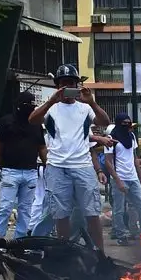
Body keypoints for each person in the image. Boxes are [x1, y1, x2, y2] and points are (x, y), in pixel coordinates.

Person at [27, 64, 110, 250]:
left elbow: (105, 122)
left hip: (83, 166)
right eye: (63, 84)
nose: (67, 88)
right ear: (58, 86)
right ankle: (64, 253)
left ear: (77, 85)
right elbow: (32, 120)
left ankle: (100, 254)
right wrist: (51, 101)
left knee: (91, 212)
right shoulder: (51, 108)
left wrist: (92, 102)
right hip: (57, 167)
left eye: (71, 83)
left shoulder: (84, 108)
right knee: (60, 214)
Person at [0, 91, 45, 239]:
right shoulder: (5, 121)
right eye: (27, 104)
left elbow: (41, 147)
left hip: (30, 172)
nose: (30, 107)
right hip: (10, 171)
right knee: (5, 208)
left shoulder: (36, 125)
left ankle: (20, 241)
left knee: (26, 209)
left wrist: (48, 166)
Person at [105, 112, 141, 246]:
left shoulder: (131, 136)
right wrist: (117, 181)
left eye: (128, 122)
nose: (126, 125)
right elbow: (108, 162)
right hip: (120, 177)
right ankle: (121, 234)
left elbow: (134, 158)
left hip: (133, 178)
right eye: (123, 123)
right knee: (119, 209)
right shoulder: (111, 138)